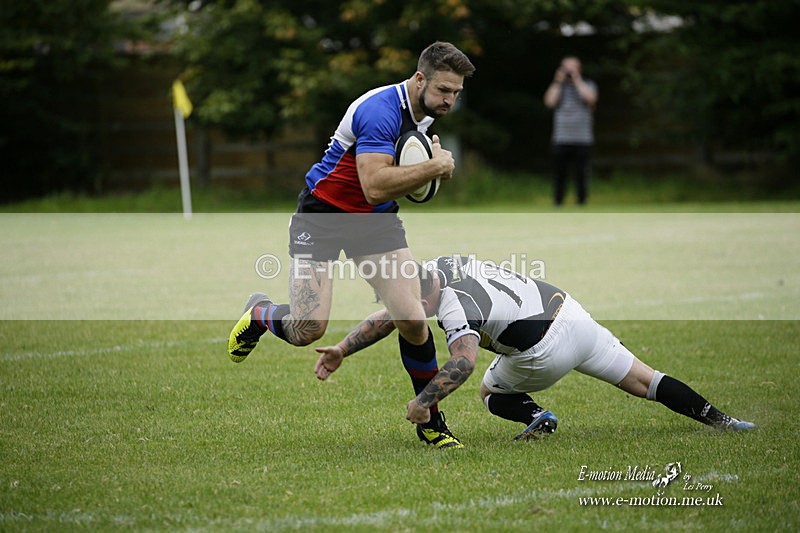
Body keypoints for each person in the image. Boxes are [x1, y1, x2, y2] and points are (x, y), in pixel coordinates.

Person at [228, 43, 475, 447]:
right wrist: (435, 167)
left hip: (374, 223)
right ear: (419, 80)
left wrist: (427, 170)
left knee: (412, 319)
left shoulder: (425, 113)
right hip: (323, 214)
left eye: (456, 93)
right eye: (444, 90)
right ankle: (260, 313)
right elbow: (374, 186)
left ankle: (430, 420)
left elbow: (391, 187)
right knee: (309, 328)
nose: (449, 100)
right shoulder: (380, 110)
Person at [314, 255, 756, 446]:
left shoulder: (453, 305)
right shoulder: (441, 268)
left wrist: (423, 402)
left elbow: (464, 361)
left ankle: (533, 415)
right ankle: (722, 419)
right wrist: (343, 349)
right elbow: (396, 313)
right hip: (572, 314)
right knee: (645, 379)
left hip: (543, 352)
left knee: (489, 391)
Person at [543, 56, 598, 206]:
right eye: (566, 68)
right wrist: (558, 82)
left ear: (579, 69)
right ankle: (558, 202)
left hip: (583, 138)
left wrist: (577, 80)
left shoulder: (588, 84)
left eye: (572, 68)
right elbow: (549, 102)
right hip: (561, 138)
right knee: (559, 174)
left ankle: (582, 201)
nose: (568, 71)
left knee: (581, 174)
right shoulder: (558, 87)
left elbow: (591, 99)